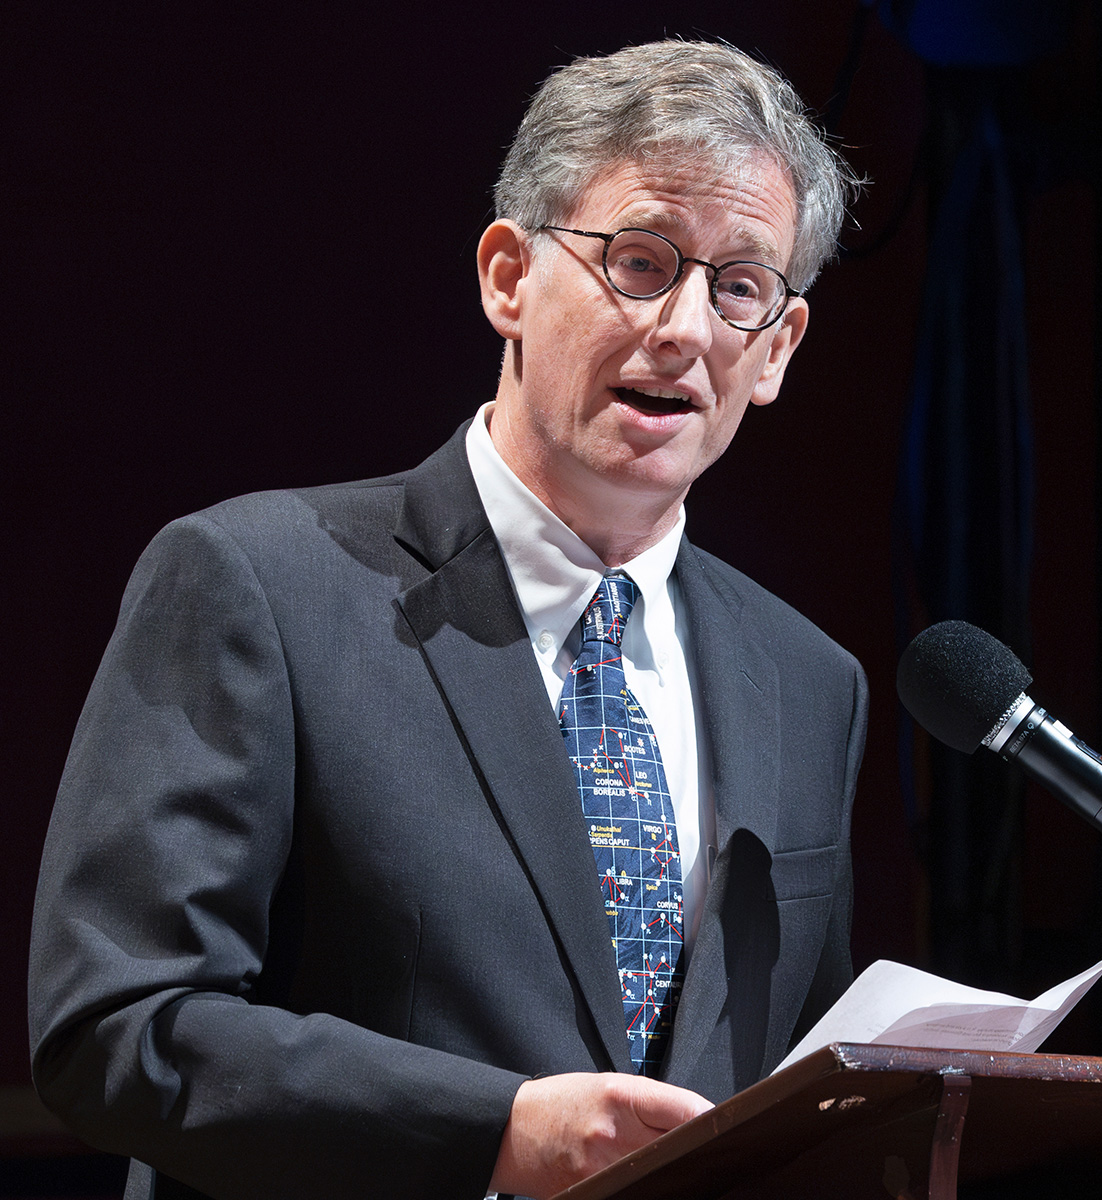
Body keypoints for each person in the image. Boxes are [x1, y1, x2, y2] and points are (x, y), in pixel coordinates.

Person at [29, 39, 867, 1200]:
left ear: (775, 347)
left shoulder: (810, 680)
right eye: (639, 260)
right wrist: (494, 1131)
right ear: (508, 277)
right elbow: (118, 1029)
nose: (684, 327)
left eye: (737, 286)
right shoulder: (259, 586)